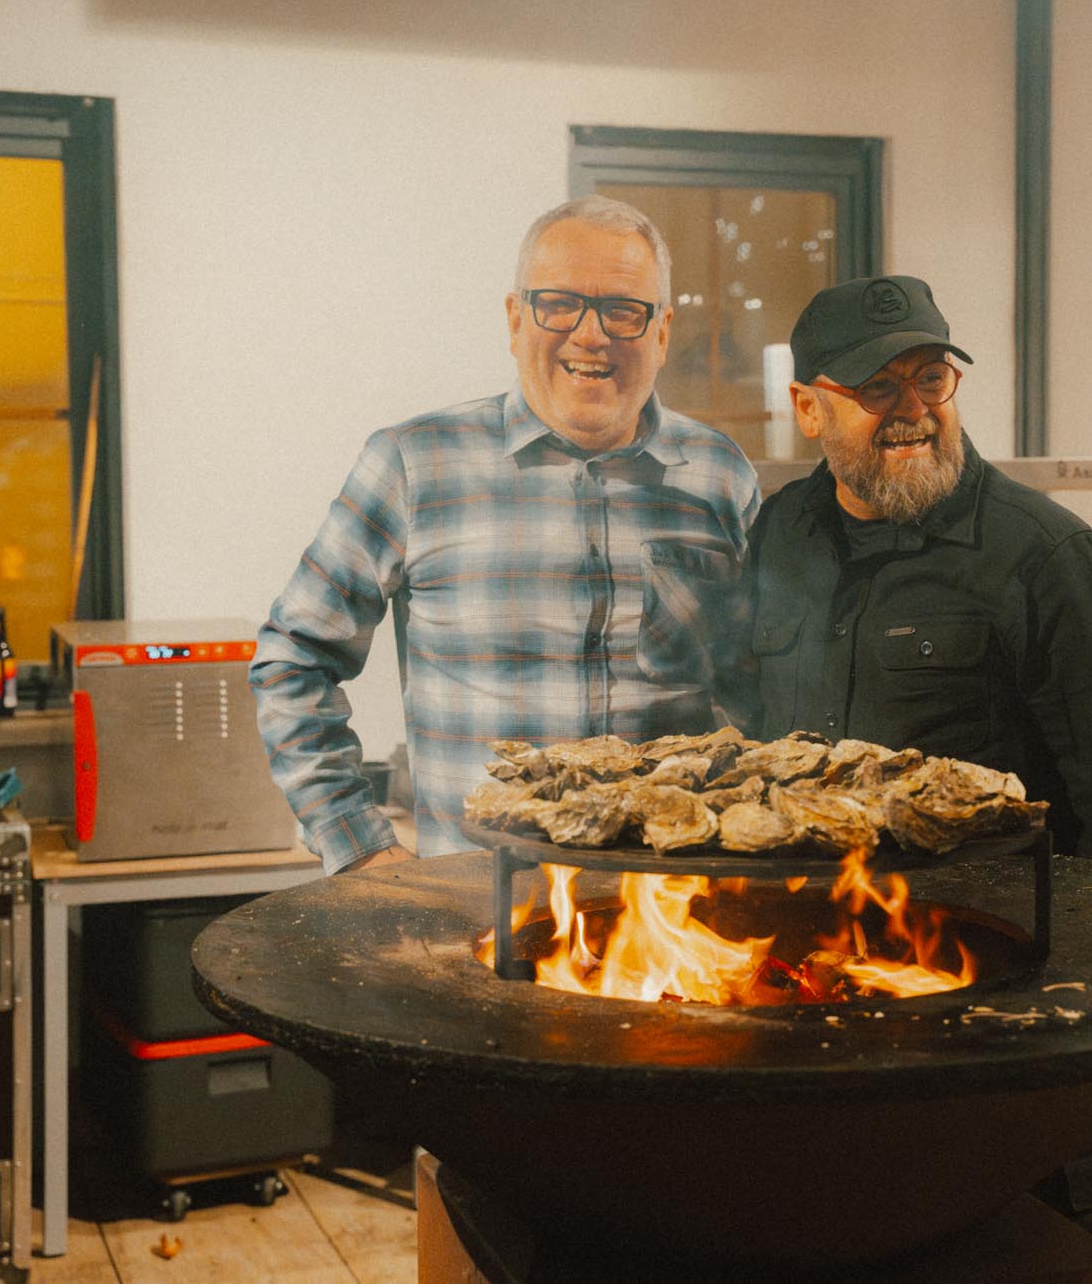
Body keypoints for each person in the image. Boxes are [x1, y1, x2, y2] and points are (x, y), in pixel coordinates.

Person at [727, 273, 1092, 1252]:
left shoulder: (1047, 559)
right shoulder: (779, 535)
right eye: (875, 387)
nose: (911, 411)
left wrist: (1065, 1032)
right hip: (813, 1031)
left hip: (995, 1059)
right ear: (807, 407)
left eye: (929, 378)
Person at [253, 197, 759, 874]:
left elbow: (761, 688)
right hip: (478, 918)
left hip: (670, 920)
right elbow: (292, 658)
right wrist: (358, 845)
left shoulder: (719, 476)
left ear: (662, 332)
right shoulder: (413, 462)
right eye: (559, 304)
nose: (590, 334)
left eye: (623, 310)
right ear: (516, 319)